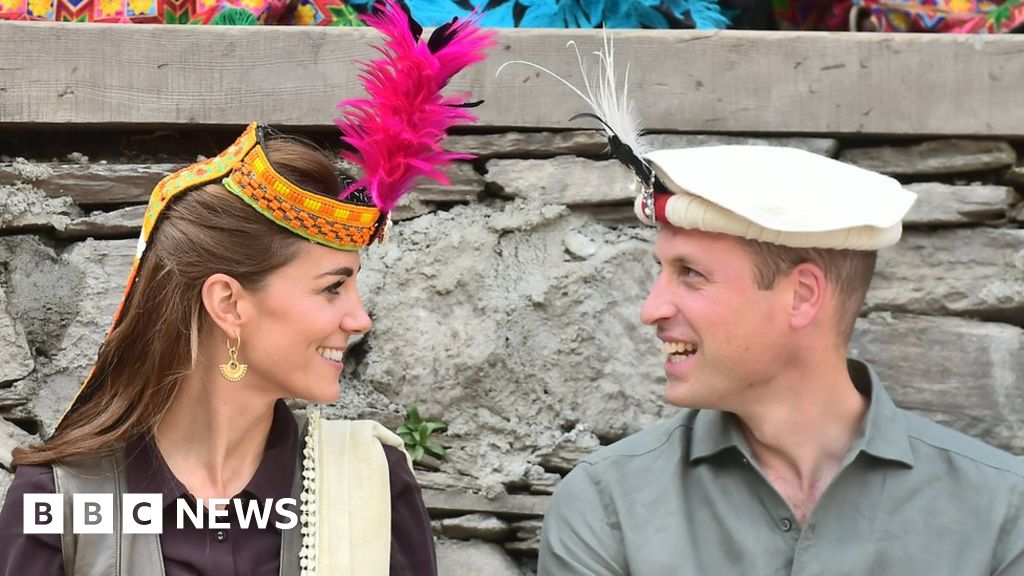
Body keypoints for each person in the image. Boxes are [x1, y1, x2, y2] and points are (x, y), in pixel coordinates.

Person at [0, 2, 493, 574]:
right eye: (332, 289)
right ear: (228, 303)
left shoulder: (371, 480)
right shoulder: (60, 502)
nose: (359, 319)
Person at [528, 47, 1024, 576]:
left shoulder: (1002, 512)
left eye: (690, 273)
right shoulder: (607, 508)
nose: (651, 309)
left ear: (802, 295)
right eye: (662, 270)